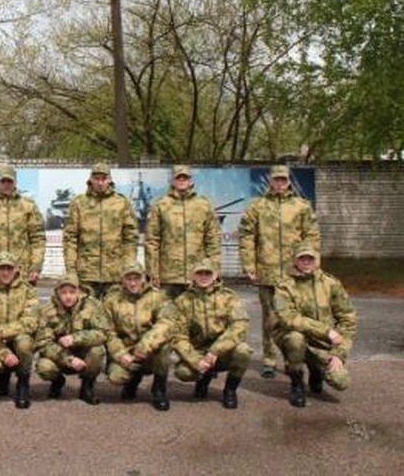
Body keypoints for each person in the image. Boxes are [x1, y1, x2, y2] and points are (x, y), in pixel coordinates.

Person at [239, 164, 321, 378]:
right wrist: (249, 264)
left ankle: (293, 358)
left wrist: (312, 264)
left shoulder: (301, 206)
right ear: (270, 181)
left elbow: (312, 236)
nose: (280, 183)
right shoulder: (257, 206)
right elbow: (247, 235)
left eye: (283, 180)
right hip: (267, 272)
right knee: (270, 318)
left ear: (289, 181)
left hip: (295, 274)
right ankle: (269, 358)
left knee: (296, 318)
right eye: (276, 179)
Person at [273, 241, 357, 408]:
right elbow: (288, 318)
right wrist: (326, 331)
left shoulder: (330, 283)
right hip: (291, 335)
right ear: (295, 261)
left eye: (310, 258)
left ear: (316, 259)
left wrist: (339, 353)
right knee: (296, 340)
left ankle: (315, 370)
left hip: (321, 342)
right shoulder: (284, 286)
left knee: (341, 381)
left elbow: (348, 319)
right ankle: (297, 384)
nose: (306, 262)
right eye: (302, 258)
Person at [169, 258, 251, 409]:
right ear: (193, 276)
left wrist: (215, 351)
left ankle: (230, 390)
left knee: (243, 351)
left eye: (208, 273)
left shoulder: (228, 297)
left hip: (222, 351)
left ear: (215, 276)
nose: (204, 276)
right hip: (199, 351)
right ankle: (203, 378)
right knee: (183, 372)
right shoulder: (183, 301)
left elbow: (240, 324)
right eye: (200, 273)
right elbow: (178, 335)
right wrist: (195, 360)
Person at [102, 263, 172, 411]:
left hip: (149, 352)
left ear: (143, 279)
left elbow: (165, 323)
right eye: (129, 278)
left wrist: (145, 346)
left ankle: (159, 390)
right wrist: (120, 353)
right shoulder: (112, 300)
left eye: (136, 278)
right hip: (127, 352)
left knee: (165, 346)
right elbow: (108, 332)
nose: (133, 283)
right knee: (115, 376)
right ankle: (132, 381)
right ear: (123, 280)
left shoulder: (157, 297)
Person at [63, 162, 139, 298]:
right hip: (86, 274)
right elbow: (70, 239)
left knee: (113, 315)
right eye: (96, 178)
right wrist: (71, 270)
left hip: (115, 274)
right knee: (86, 315)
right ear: (90, 180)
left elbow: (130, 238)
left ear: (109, 180)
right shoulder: (79, 203)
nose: (100, 182)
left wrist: (128, 266)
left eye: (103, 179)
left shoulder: (121, 203)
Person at [145, 165, 222, 299]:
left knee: (196, 317)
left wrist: (214, 269)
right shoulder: (160, 205)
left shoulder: (203, 205)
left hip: (198, 274)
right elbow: (152, 241)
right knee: (167, 316)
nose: (181, 180)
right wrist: (153, 272)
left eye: (185, 178)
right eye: (178, 178)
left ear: (191, 181)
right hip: (169, 276)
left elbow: (213, 240)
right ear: (172, 181)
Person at [35, 274, 108, 405]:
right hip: (60, 356)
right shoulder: (48, 311)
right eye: (64, 292)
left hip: (84, 354)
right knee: (44, 366)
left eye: (72, 292)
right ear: (57, 293)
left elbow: (102, 333)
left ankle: (87, 387)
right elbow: (44, 343)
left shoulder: (92, 306)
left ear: (79, 292)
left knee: (97, 351)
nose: (68, 296)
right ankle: (57, 382)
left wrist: (76, 338)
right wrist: (69, 359)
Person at [0, 254, 40, 408]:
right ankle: (3, 378)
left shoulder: (28, 291)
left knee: (24, 343)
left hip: (18, 340)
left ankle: (23, 384)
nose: (5, 272)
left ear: (16, 270)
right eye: (1, 268)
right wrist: (3, 353)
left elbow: (31, 322)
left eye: (9, 268)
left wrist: (0, 331)